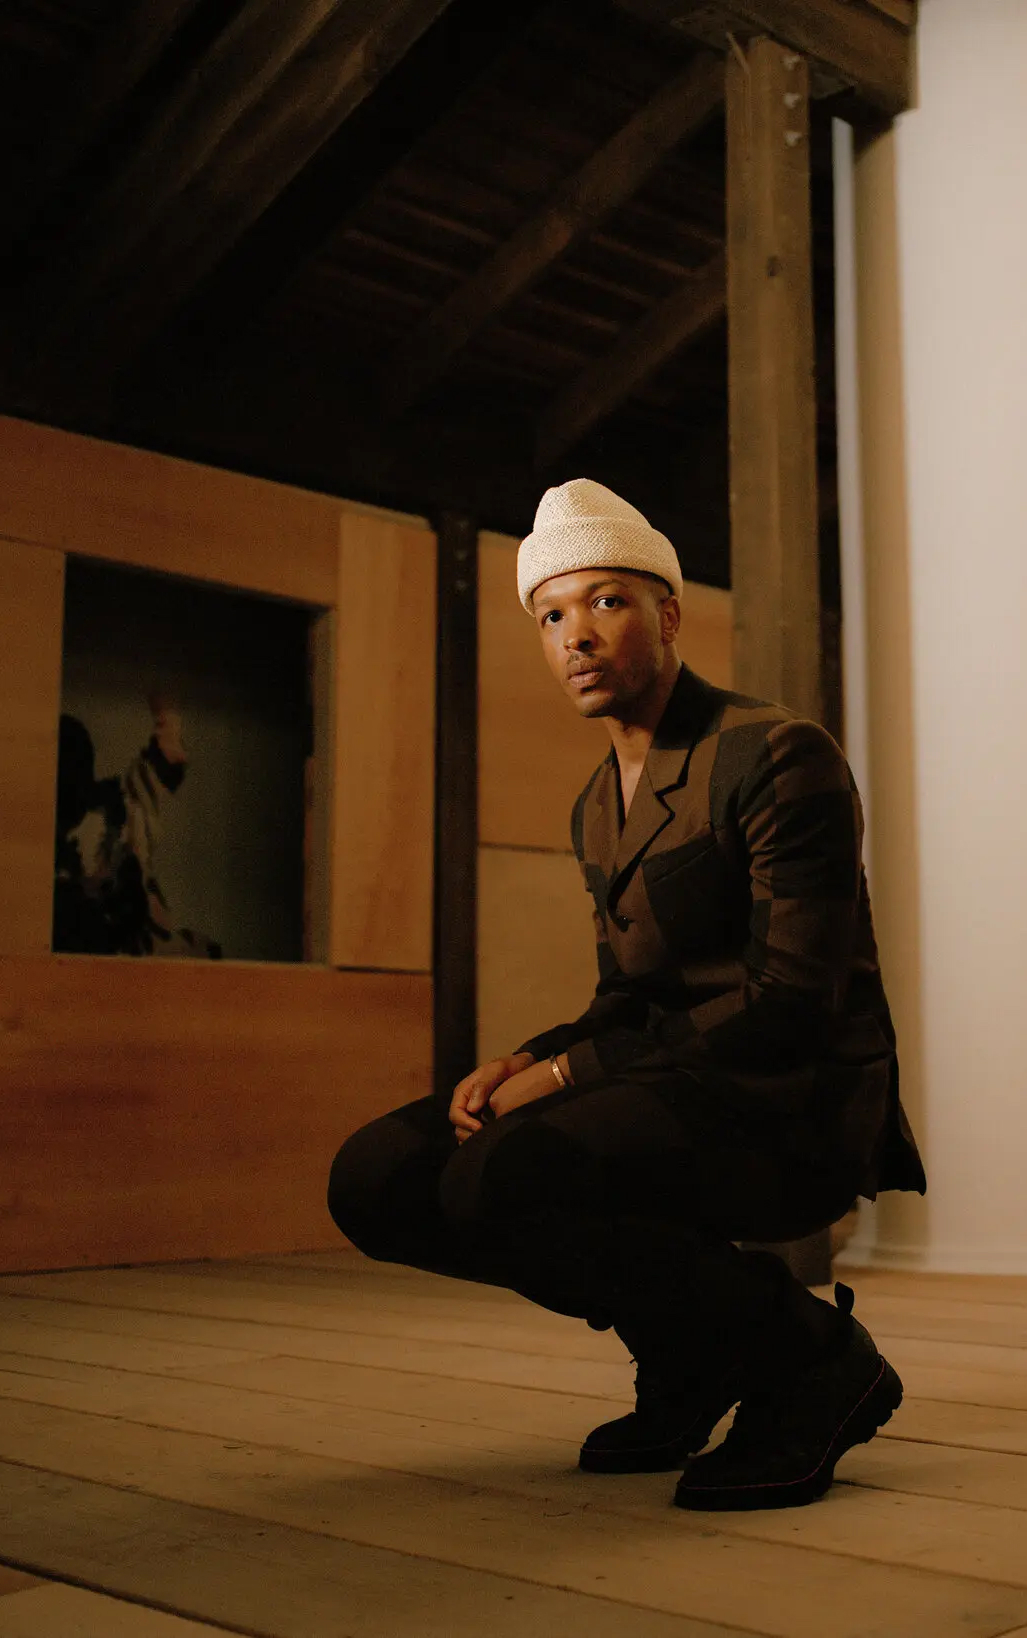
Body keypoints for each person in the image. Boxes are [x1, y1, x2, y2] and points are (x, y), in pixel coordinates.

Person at [327, 478, 924, 1511]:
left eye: (604, 602)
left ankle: (814, 1357)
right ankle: (696, 1356)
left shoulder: (775, 753)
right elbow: (627, 997)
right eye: (551, 615)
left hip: (787, 1097)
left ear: (668, 615)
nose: (576, 636)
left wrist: (565, 1075)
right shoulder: (593, 808)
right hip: (672, 1076)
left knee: (502, 1178)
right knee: (379, 1174)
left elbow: (788, 1000)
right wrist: (525, 1059)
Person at [53, 691, 222, 959]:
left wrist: (166, 717)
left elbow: (163, 763)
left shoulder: (116, 805)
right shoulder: (115, 805)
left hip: (134, 949)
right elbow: (162, 764)